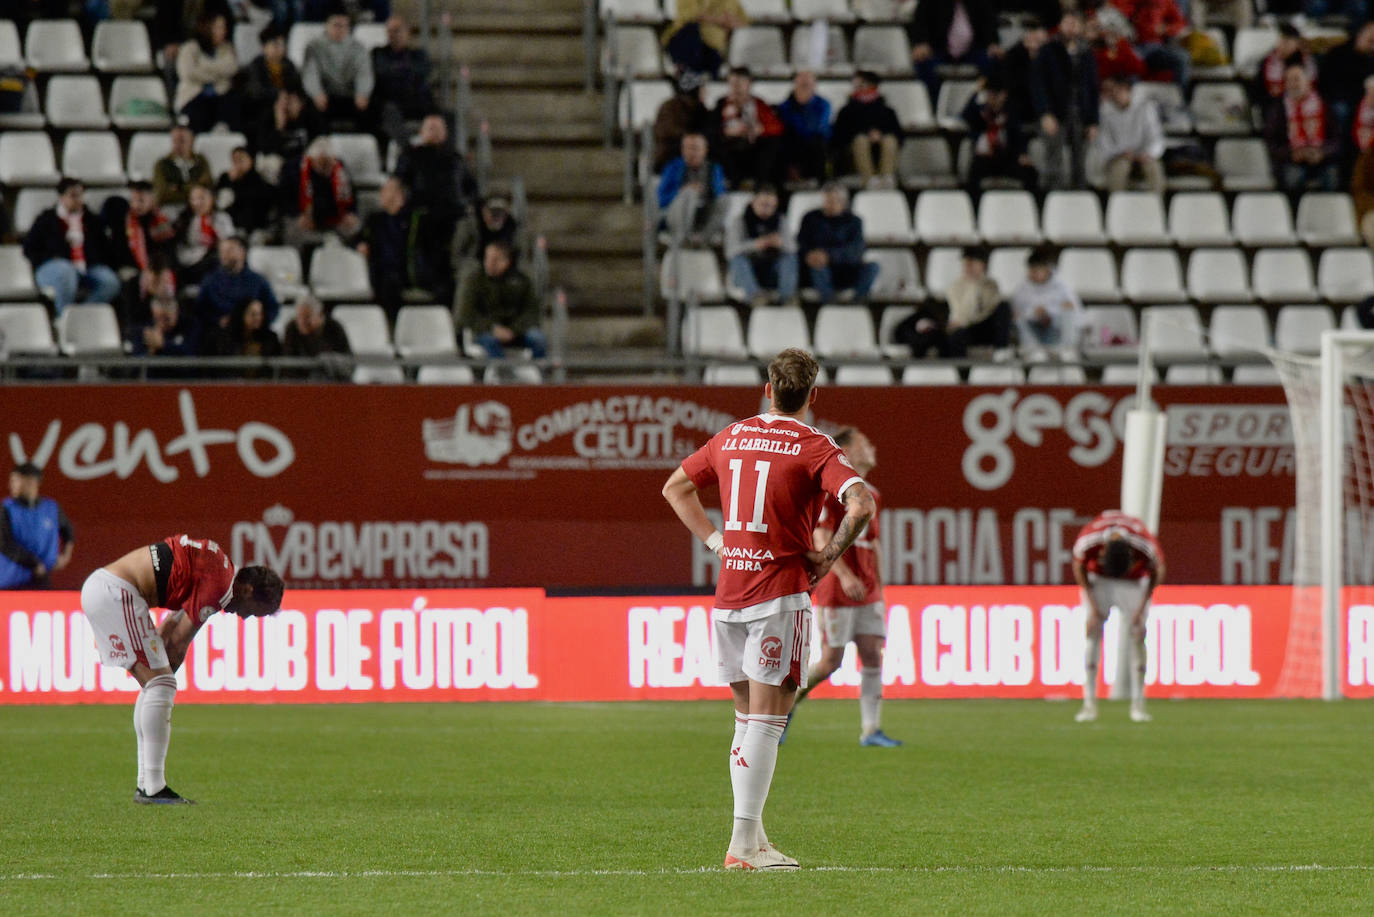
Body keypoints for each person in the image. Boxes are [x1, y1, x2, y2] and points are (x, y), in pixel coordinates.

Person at [661, 347, 876, 871]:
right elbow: (861, 503)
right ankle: (742, 848)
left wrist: (717, 543)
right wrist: (827, 557)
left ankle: (753, 841)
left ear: (767, 389)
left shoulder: (731, 436)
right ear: (812, 396)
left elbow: (675, 486)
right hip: (778, 594)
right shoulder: (813, 444)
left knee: (745, 720)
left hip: (729, 593)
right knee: (766, 722)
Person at [80, 535, 283, 802]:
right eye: (254, 612)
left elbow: (169, 629)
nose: (245, 618)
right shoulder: (221, 586)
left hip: (108, 589)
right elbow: (177, 642)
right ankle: (152, 788)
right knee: (161, 685)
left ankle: (147, 784)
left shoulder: (218, 569)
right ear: (247, 591)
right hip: (117, 593)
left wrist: (162, 669)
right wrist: (165, 674)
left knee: (157, 685)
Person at [789, 427, 900, 748]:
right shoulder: (833, 491)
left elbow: (873, 543)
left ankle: (871, 730)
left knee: (872, 656)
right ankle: (785, 708)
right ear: (848, 451)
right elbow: (820, 537)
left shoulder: (872, 494)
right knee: (830, 662)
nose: (872, 448)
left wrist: (880, 586)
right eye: (865, 443)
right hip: (837, 591)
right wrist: (845, 576)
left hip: (867, 593)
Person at [1072, 510, 1165, 724]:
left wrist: (1141, 609)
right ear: (1102, 553)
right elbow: (1079, 566)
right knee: (1093, 631)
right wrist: (1093, 608)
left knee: (1138, 633)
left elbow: (1158, 571)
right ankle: (1088, 704)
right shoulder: (1088, 541)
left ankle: (1138, 705)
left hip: (1133, 583)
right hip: (1099, 580)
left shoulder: (1145, 545)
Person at [22, 178, 122, 316]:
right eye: (73, 195)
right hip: (53, 267)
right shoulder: (46, 219)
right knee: (66, 272)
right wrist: (51, 257)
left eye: (80, 195)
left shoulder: (91, 220)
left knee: (110, 282)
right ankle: (64, 317)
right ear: (61, 197)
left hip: (86, 267)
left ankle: (81, 315)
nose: (78, 200)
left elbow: (104, 248)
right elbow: (29, 247)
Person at [894, 244, 1010, 357]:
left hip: (980, 326)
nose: (967, 267)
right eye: (966, 264)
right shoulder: (955, 286)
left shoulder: (990, 285)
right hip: (961, 327)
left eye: (972, 264)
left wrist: (975, 285)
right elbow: (957, 312)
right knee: (956, 334)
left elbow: (988, 311)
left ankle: (1001, 350)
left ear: (982, 265)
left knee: (1003, 307)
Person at [359, 176, 449, 319]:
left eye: (386, 190)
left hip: (411, 272)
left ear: (399, 195)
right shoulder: (375, 220)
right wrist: (361, 245)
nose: (381, 193)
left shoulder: (418, 219)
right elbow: (358, 238)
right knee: (389, 283)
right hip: (384, 274)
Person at [1030, 11, 1099, 190]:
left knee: (1080, 162)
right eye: (1068, 23)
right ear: (1060, 25)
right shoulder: (1048, 51)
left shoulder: (1086, 53)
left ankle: (1080, 198)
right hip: (1056, 111)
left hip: (1080, 112)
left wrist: (1093, 121)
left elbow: (1093, 89)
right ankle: (1053, 198)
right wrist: (1045, 113)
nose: (1071, 28)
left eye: (1075, 24)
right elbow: (1039, 85)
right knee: (1054, 160)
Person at [454, 240, 547, 360]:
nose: (489, 263)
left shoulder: (522, 281)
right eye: (487, 258)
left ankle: (537, 374)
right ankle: (501, 374)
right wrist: (492, 328)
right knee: (490, 341)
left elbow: (532, 312)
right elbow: (465, 315)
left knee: (538, 339)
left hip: (515, 331)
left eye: (495, 260)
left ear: (506, 262)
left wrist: (513, 330)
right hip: (484, 331)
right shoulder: (474, 281)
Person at [1265, 62, 1339, 198]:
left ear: (1308, 81)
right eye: (1289, 80)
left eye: (1297, 79)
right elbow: (1271, 143)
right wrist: (1292, 154)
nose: (1293, 84)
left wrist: (1322, 152)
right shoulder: (1278, 109)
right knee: (1293, 177)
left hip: (1321, 159)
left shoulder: (1323, 105)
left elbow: (1336, 139)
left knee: (1331, 175)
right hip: (1291, 160)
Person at [796, 182, 880, 302]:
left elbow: (856, 251)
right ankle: (829, 306)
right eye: (826, 201)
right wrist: (810, 255)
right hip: (816, 268)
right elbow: (801, 244)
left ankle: (858, 304)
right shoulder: (810, 218)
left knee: (873, 267)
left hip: (845, 268)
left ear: (843, 202)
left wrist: (829, 255)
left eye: (834, 201)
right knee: (817, 266)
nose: (829, 205)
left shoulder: (854, 222)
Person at [394, 113, 476, 235]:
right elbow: (398, 182)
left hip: (453, 214)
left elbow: (471, 186)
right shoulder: (410, 155)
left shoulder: (455, 158)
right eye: (431, 128)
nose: (435, 132)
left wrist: (466, 202)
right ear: (421, 132)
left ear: (445, 133)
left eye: (439, 128)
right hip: (421, 214)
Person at [963, 74, 1038, 199]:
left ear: (1003, 95)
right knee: (973, 174)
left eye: (996, 95)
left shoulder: (1011, 113)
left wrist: (1023, 154)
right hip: (985, 158)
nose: (992, 99)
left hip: (1006, 157)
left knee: (1030, 173)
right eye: (990, 95)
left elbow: (1018, 135)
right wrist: (976, 91)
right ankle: (975, 209)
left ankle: (1030, 207)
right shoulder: (980, 112)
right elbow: (965, 115)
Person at [907, 0, 1002, 99]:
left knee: (994, 60)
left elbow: (989, 22)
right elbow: (920, 21)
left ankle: (980, 103)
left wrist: (992, 43)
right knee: (923, 62)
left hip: (972, 50)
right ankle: (935, 102)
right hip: (940, 50)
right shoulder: (929, 2)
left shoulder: (980, 2)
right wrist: (922, 43)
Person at [0, 463, 73, 590]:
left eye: (15, 480)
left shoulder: (51, 508)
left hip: (41, 579)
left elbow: (68, 531)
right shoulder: (5, 508)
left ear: (31, 481)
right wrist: (34, 563)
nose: (11, 485)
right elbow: (4, 543)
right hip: (10, 580)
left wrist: (66, 556)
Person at [711, 67, 784, 188]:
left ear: (749, 85)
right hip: (730, 150)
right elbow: (710, 129)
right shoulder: (721, 104)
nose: (736, 88)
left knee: (774, 144)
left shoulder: (759, 104)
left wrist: (761, 129)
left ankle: (762, 186)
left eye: (740, 83)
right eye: (733, 83)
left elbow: (777, 127)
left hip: (754, 150)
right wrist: (725, 131)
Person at [302, 9, 374, 131]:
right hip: (325, 96)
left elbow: (364, 74)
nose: (340, 29)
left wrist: (363, 93)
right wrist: (317, 94)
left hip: (351, 96)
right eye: (336, 25)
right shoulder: (314, 47)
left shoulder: (359, 48)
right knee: (310, 109)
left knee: (372, 108)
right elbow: (310, 74)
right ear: (326, 25)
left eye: (344, 26)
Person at [724, 185, 798, 306]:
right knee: (737, 259)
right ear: (753, 202)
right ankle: (755, 296)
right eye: (763, 204)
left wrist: (781, 243)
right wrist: (757, 244)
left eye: (771, 206)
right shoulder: (740, 221)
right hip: (748, 273)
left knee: (789, 257)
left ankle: (787, 298)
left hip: (772, 271)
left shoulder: (781, 220)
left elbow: (793, 248)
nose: (767, 209)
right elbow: (730, 251)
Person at [280, 137, 361, 245]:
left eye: (328, 163)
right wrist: (297, 215)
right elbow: (283, 199)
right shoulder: (293, 169)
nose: (325, 167)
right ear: (311, 159)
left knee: (355, 227)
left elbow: (352, 194)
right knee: (293, 230)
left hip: (335, 217)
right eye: (321, 163)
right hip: (302, 217)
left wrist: (351, 213)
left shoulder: (339, 168)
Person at [1095, 75, 1165, 193]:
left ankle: (1158, 205)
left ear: (1127, 90)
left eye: (1119, 91)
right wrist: (1121, 153)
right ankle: (1117, 206)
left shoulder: (1145, 108)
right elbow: (1104, 142)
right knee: (1120, 168)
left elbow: (1156, 137)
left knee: (1154, 168)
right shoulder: (1105, 111)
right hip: (1119, 157)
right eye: (1113, 92)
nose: (1115, 95)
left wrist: (1148, 153)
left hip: (1144, 155)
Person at [370, 14, 434, 143]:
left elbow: (422, 73)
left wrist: (394, 73)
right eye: (389, 31)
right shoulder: (377, 53)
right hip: (387, 101)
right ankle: (407, 147)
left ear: (407, 32)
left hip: (414, 100)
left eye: (397, 30)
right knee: (388, 110)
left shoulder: (418, 55)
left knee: (445, 116)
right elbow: (381, 75)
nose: (392, 34)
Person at [832, 71, 902, 187]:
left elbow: (898, 133)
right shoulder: (846, 110)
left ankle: (887, 177)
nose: (858, 87)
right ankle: (869, 179)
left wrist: (880, 134)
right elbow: (840, 134)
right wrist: (866, 133)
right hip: (853, 152)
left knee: (890, 139)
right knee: (860, 140)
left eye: (863, 83)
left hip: (881, 147)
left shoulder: (887, 111)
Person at [197, 235, 282, 331]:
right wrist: (217, 320)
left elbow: (273, 308)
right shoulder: (210, 280)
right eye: (222, 251)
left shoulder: (257, 281)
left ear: (243, 253)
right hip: (220, 334)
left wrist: (258, 322)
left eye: (230, 250)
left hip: (250, 333)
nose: (224, 255)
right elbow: (200, 310)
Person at [174, 12, 239, 133]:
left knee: (234, 105)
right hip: (193, 97)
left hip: (220, 97)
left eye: (224, 27)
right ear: (208, 28)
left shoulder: (227, 48)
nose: (224, 31)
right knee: (199, 111)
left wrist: (203, 68)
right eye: (219, 27)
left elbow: (232, 68)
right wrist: (218, 74)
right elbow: (188, 73)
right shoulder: (189, 48)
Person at [1010, 245, 1081, 355]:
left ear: (1046, 269)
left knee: (1068, 314)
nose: (1035, 274)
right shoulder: (1021, 289)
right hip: (1033, 330)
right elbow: (1017, 314)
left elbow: (1073, 309)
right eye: (1032, 270)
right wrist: (1034, 313)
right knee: (1018, 320)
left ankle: (1065, 351)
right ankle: (1031, 352)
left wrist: (1048, 311)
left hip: (1055, 330)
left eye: (1038, 270)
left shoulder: (1062, 286)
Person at [656, 132, 727, 242]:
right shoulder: (673, 167)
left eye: (695, 148)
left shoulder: (714, 168)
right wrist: (682, 191)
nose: (691, 153)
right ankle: (684, 238)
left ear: (705, 150)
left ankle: (702, 239)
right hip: (676, 215)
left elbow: (719, 195)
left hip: (702, 214)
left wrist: (705, 192)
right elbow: (661, 200)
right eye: (687, 148)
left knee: (725, 201)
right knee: (690, 192)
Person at [1110, 0, 1190, 88]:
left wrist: (1165, 29)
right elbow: (1117, 13)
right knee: (1131, 61)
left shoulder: (1165, 2)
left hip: (1155, 48)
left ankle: (1180, 97)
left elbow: (1180, 24)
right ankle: (1132, 98)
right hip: (1133, 45)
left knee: (1182, 57)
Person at [235, 23, 304, 125]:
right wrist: (277, 95)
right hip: (264, 105)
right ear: (264, 47)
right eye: (275, 45)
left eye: (282, 44)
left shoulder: (289, 65)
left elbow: (297, 87)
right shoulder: (256, 66)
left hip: (287, 102)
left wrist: (295, 98)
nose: (281, 49)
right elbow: (255, 91)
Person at [662, 0, 747, 77]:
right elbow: (690, 15)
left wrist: (731, 22)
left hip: (714, 47)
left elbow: (744, 21)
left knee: (712, 73)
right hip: (687, 40)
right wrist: (719, 20)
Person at [776, 70, 832, 186]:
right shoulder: (784, 107)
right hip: (792, 147)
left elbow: (819, 128)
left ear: (814, 84)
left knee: (819, 142)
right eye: (802, 80)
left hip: (815, 146)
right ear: (795, 83)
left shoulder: (823, 104)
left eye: (808, 80)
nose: (805, 83)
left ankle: (822, 184)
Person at [173, 184, 235, 285]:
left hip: (211, 260)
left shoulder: (222, 218)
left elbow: (229, 242)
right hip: (188, 259)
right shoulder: (185, 218)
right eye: (193, 199)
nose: (197, 203)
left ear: (212, 198)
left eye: (202, 198)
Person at [653, 71, 711, 174]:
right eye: (703, 89)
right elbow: (668, 132)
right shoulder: (670, 107)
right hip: (670, 156)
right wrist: (692, 141)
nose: (706, 92)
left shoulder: (700, 109)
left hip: (696, 155)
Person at [282, 295, 351, 379]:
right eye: (299, 317)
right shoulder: (292, 327)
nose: (302, 322)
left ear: (320, 315)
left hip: (331, 383)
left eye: (307, 317)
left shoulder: (335, 327)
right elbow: (287, 362)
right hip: (300, 383)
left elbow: (348, 362)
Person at [126, 291, 201, 368]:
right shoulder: (143, 331)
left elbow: (191, 357)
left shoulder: (190, 326)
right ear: (152, 311)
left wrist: (163, 344)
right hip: (153, 378)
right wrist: (151, 350)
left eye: (169, 304)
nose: (165, 310)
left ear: (177, 310)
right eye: (161, 304)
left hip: (183, 378)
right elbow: (135, 366)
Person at [208, 297, 283, 375]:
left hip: (261, 385)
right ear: (242, 314)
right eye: (253, 314)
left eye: (260, 313)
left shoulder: (270, 339)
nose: (258, 318)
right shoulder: (223, 338)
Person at [253, 88, 324, 167]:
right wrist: (279, 126)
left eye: (290, 102)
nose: (285, 107)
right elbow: (264, 149)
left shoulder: (309, 115)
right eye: (282, 102)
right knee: (265, 161)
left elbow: (321, 138)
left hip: (305, 162)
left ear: (301, 103)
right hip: (281, 164)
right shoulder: (269, 118)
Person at [216, 147, 275, 241]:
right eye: (234, 160)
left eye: (241, 159)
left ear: (251, 161)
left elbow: (251, 204)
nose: (237, 164)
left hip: (254, 228)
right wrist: (230, 182)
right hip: (229, 226)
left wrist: (235, 183)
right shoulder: (226, 178)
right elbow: (219, 200)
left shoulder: (259, 181)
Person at [152, 123, 214, 208]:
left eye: (182, 141)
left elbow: (207, 188)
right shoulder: (162, 164)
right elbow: (161, 194)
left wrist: (178, 188)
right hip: (170, 209)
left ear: (191, 141)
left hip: (198, 209)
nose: (177, 145)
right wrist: (193, 189)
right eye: (175, 141)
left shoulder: (201, 162)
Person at [1253, 24, 1315, 105]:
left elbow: (1312, 83)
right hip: (1276, 103)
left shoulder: (1305, 59)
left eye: (1286, 42)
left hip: (1304, 101)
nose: (1281, 45)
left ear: (1297, 44)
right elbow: (1273, 90)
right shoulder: (1270, 60)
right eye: (1280, 41)